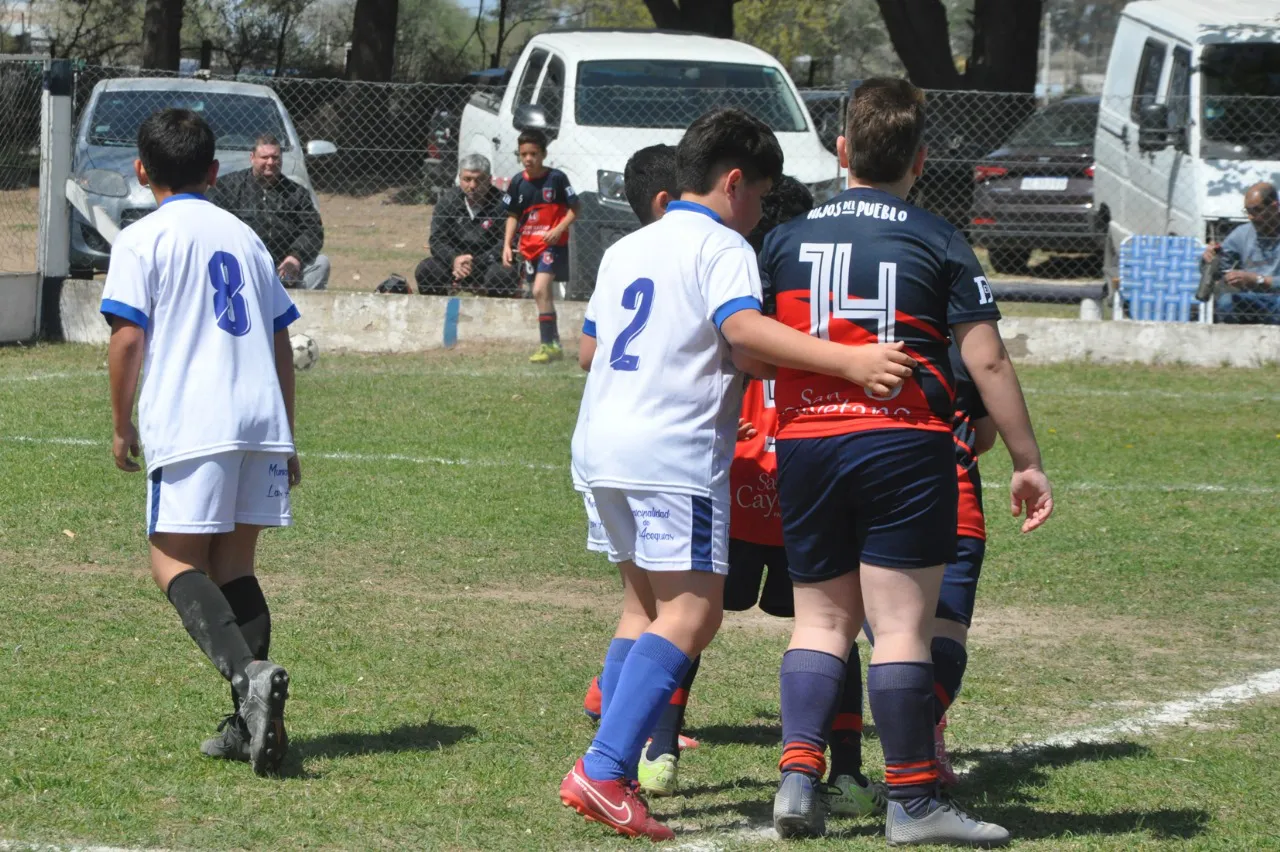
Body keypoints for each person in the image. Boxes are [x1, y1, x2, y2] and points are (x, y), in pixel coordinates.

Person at [559, 106, 917, 842]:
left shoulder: (631, 246)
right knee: (695, 614)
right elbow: (745, 336)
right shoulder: (723, 245)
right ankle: (602, 769)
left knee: (645, 611)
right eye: (760, 194)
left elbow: (589, 350)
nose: (760, 212)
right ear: (732, 183)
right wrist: (849, 359)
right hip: (671, 453)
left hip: (601, 446)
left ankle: (615, 752)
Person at [758, 78, 1053, 846]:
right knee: (899, 628)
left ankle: (797, 778)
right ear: (920, 160)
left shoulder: (785, 240)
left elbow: (747, 345)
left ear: (841, 150)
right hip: (903, 443)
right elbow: (985, 363)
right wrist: (1026, 458)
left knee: (820, 622)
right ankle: (914, 804)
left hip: (806, 443)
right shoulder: (939, 239)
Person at [101, 109, 301, 777]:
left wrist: (121, 423)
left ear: (140, 170)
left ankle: (248, 681)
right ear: (216, 172)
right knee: (234, 565)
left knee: (170, 561)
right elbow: (279, 334)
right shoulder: (246, 236)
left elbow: (128, 337)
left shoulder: (143, 237)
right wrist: (287, 434)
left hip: (195, 419)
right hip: (258, 418)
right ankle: (248, 725)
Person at [858, 343, 997, 791]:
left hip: (873, 502)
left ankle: (904, 743)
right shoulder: (961, 353)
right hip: (958, 505)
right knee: (947, 630)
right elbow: (987, 435)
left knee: (893, 635)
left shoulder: (854, 346)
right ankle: (926, 730)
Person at [207, 133, 329, 291]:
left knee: (321, 263)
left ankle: (294, 310)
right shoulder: (228, 187)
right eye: (264, 157)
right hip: (240, 266)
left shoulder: (296, 193)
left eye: (275, 157)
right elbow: (211, 225)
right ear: (252, 157)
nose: (270, 162)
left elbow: (313, 230)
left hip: (282, 269)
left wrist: (295, 257)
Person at [501, 129, 580, 363]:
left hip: (551, 245)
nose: (528, 159)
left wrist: (558, 230)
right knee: (541, 295)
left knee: (539, 290)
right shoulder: (517, 182)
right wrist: (507, 244)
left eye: (533, 153)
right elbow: (513, 215)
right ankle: (552, 345)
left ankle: (549, 344)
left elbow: (576, 208)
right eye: (524, 154)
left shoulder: (556, 178)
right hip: (529, 247)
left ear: (543, 154)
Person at [414, 154, 518, 297]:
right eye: (467, 179)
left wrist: (477, 262)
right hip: (455, 262)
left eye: (479, 180)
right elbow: (437, 240)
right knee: (426, 270)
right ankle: (437, 315)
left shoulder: (504, 203)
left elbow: (508, 242)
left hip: (489, 262)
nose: (472, 186)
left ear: (489, 180)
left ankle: (495, 317)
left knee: (503, 275)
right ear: (459, 178)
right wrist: (454, 260)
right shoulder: (448, 201)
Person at [1200, 182, 1280, 325]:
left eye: (1256, 211)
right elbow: (1220, 267)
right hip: (1250, 299)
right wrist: (1210, 258)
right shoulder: (1242, 233)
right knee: (1226, 302)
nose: (1250, 217)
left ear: (1274, 207)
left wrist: (1258, 280)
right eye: (1248, 211)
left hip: (1277, 298)